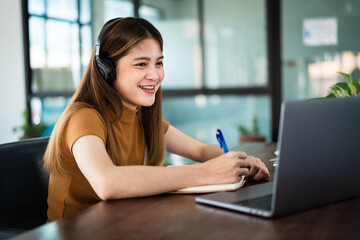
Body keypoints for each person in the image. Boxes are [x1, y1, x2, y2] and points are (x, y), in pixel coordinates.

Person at [44, 17, 270, 221]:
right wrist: (206, 172)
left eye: (158, 63)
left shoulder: (139, 114)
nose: (155, 74)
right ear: (106, 69)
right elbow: (107, 183)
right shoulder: (84, 116)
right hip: (77, 231)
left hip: (119, 222)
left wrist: (241, 161)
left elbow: (200, 150)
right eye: (141, 64)